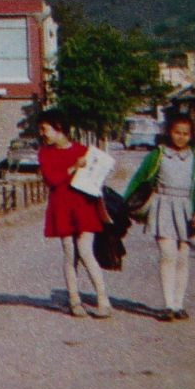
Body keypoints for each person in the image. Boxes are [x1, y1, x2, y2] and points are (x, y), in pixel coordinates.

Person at [123, 113, 195, 322]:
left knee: (182, 258)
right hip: (162, 206)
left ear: (191, 135)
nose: (180, 137)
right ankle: (168, 304)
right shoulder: (158, 155)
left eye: (185, 134)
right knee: (168, 255)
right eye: (176, 132)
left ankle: (179, 304)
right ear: (168, 132)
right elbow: (139, 179)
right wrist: (124, 202)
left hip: (186, 211)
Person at [38, 109, 112, 319]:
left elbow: (98, 175)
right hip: (62, 207)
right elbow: (51, 179)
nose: (42, 133)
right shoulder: (45, 153)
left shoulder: (84, 151)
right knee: (70, 253)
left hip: (83, 207)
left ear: (59, 127)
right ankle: (74, 300)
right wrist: (73, 167)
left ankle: (103, 300)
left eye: (45, 129)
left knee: (86, 252)